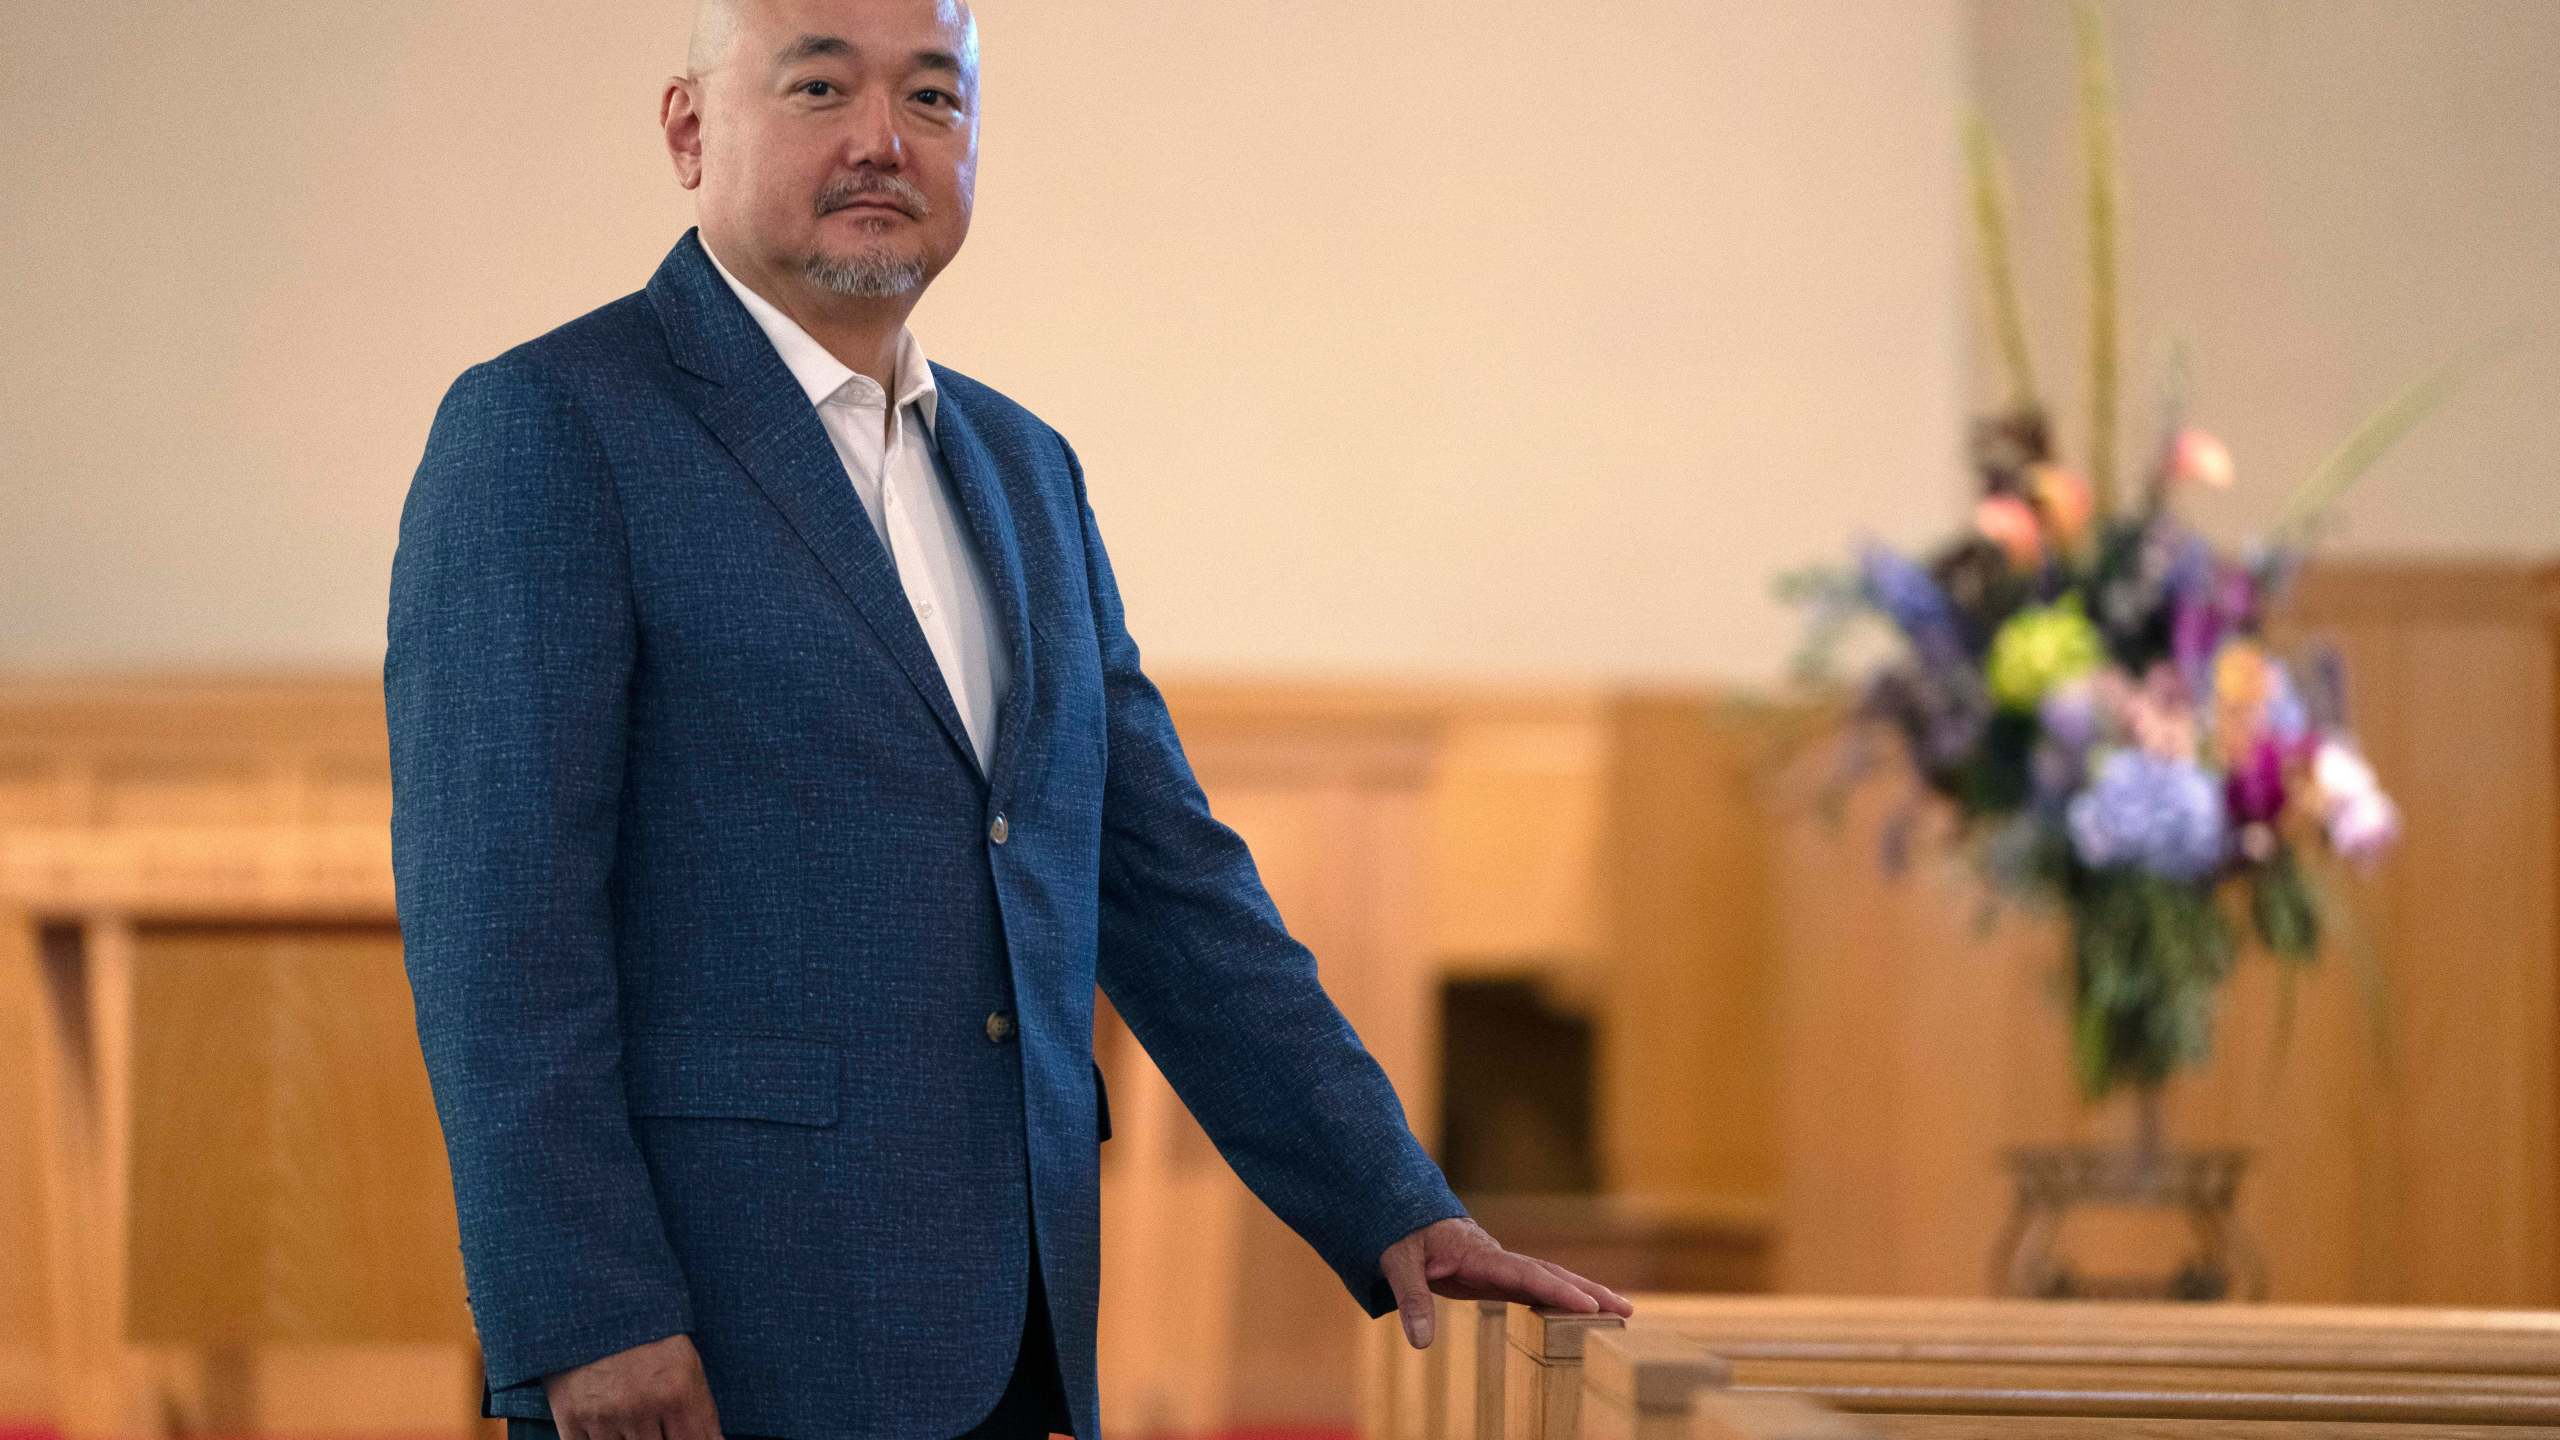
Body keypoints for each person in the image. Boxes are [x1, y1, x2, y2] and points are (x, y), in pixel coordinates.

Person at [382, 1, 1634, 1437]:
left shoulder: (1025, 468)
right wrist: (585, 1313)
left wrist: (1396, 1204)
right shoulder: (549, 428)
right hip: (709, 1344)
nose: (880, 140)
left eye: (931, 96)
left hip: (1009, 1327)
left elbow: (1166, 882)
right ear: (688, 130)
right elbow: (498, 929)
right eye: (817, 87)